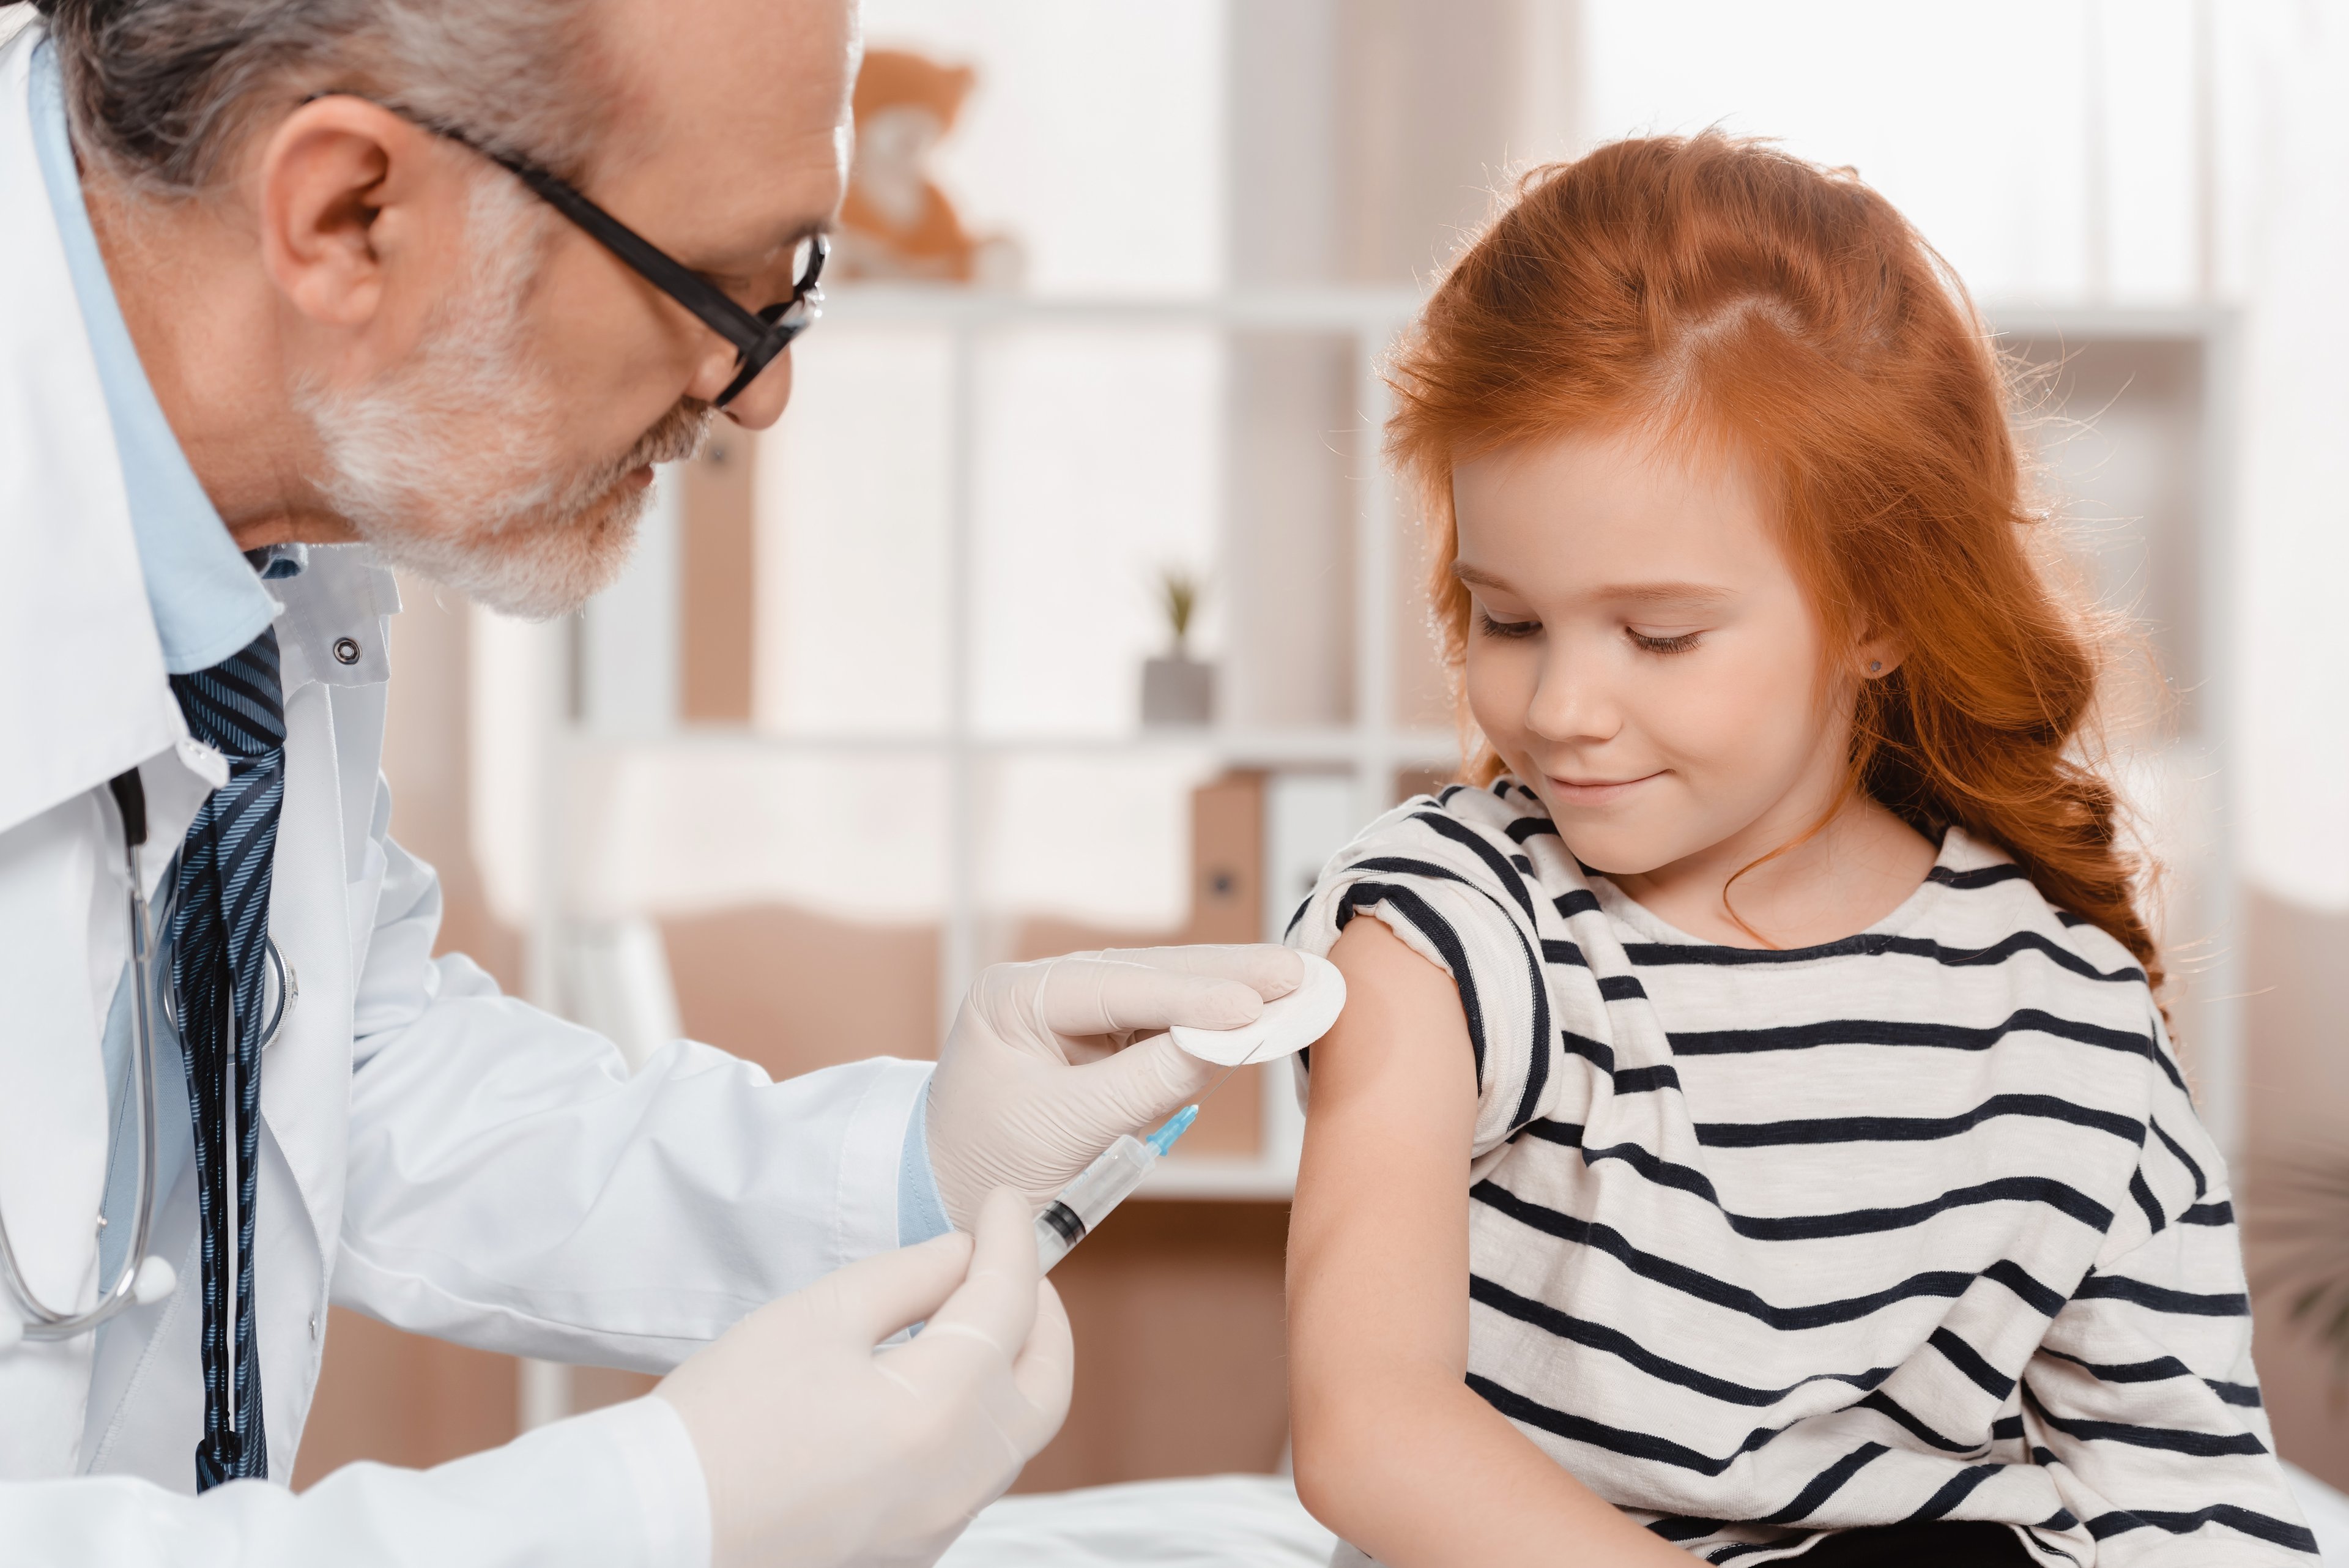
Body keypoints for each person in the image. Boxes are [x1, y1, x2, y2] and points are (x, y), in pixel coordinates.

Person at [0, 0, 1302, 1562]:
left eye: (793, 288)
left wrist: (922, 1166)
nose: (758, 393)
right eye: (726, 290)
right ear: (350, 214)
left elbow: (335, 1066)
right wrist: (655, 1513)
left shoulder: (254, 543)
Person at [1281, 134, 2315, 1566]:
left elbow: (2182, 1476)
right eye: (1509, 618)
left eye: (1659, 635)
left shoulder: (2061, 1007)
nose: (1562, 707)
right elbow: (1371, 1431)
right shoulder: (1446, 933)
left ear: (1877, 611)